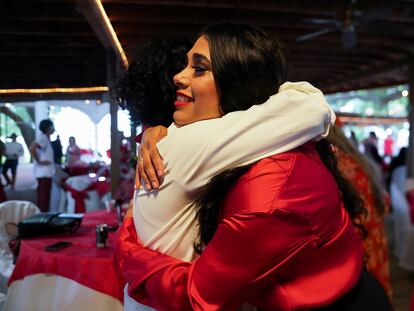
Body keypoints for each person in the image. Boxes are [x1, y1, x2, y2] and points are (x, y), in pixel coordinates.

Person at [115, 23, 391, 310]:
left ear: (237, 83)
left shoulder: (270, 187)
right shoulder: (249, 145)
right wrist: (153, 127)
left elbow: (199, 296)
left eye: (199, 69)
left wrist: (126, 251)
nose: (177, 77)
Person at [327, 124, 392, 300]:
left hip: (357, 241)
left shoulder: (335, 164)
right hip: (375, 236)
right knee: (378, 293)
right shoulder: (361, 161)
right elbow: (385, 203)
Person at [29, 119, 55, 212]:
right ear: (48, 128)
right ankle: (40, 219)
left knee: (44, 199)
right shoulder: (43, 138)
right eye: (52, 126)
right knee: (43, 200)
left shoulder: (45, 139)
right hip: (44, 173)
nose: (54, 128)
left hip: (45, 173)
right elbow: (32, 148)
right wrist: (39, 161)